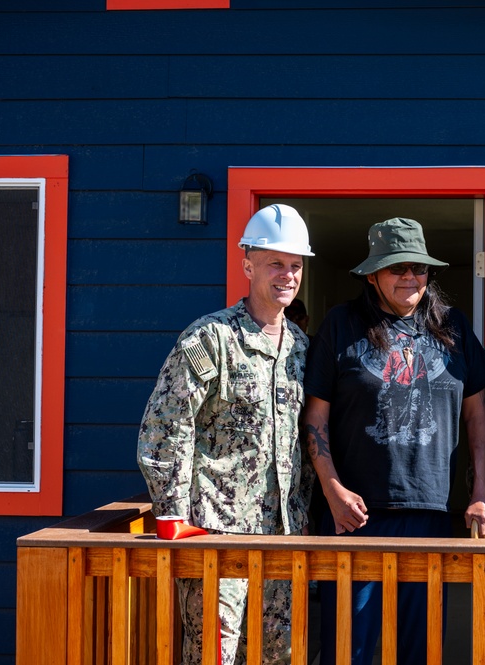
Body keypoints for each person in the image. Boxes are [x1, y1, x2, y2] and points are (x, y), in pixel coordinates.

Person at [303, 217, 485, 665]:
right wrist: (332, 491)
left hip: (431, 515)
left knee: (422, 647)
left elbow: (477, 415)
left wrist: (480, 491)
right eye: (397, 268)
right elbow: (315, 416)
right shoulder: (342, 325)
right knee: (347, 649)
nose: (410, 277)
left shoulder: (452, 327)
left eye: (419, 268)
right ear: (372, 274)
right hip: (355, 517)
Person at [137, 203, 315, 665]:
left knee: (281, 653)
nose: (287, 274)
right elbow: (166, 426)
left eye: (295, 265)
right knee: (216, 654)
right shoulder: (209, 338)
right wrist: (172, 514)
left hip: (284, 535)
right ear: (247, 264)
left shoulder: (301, 347)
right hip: (216, 534)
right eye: (275, 262)